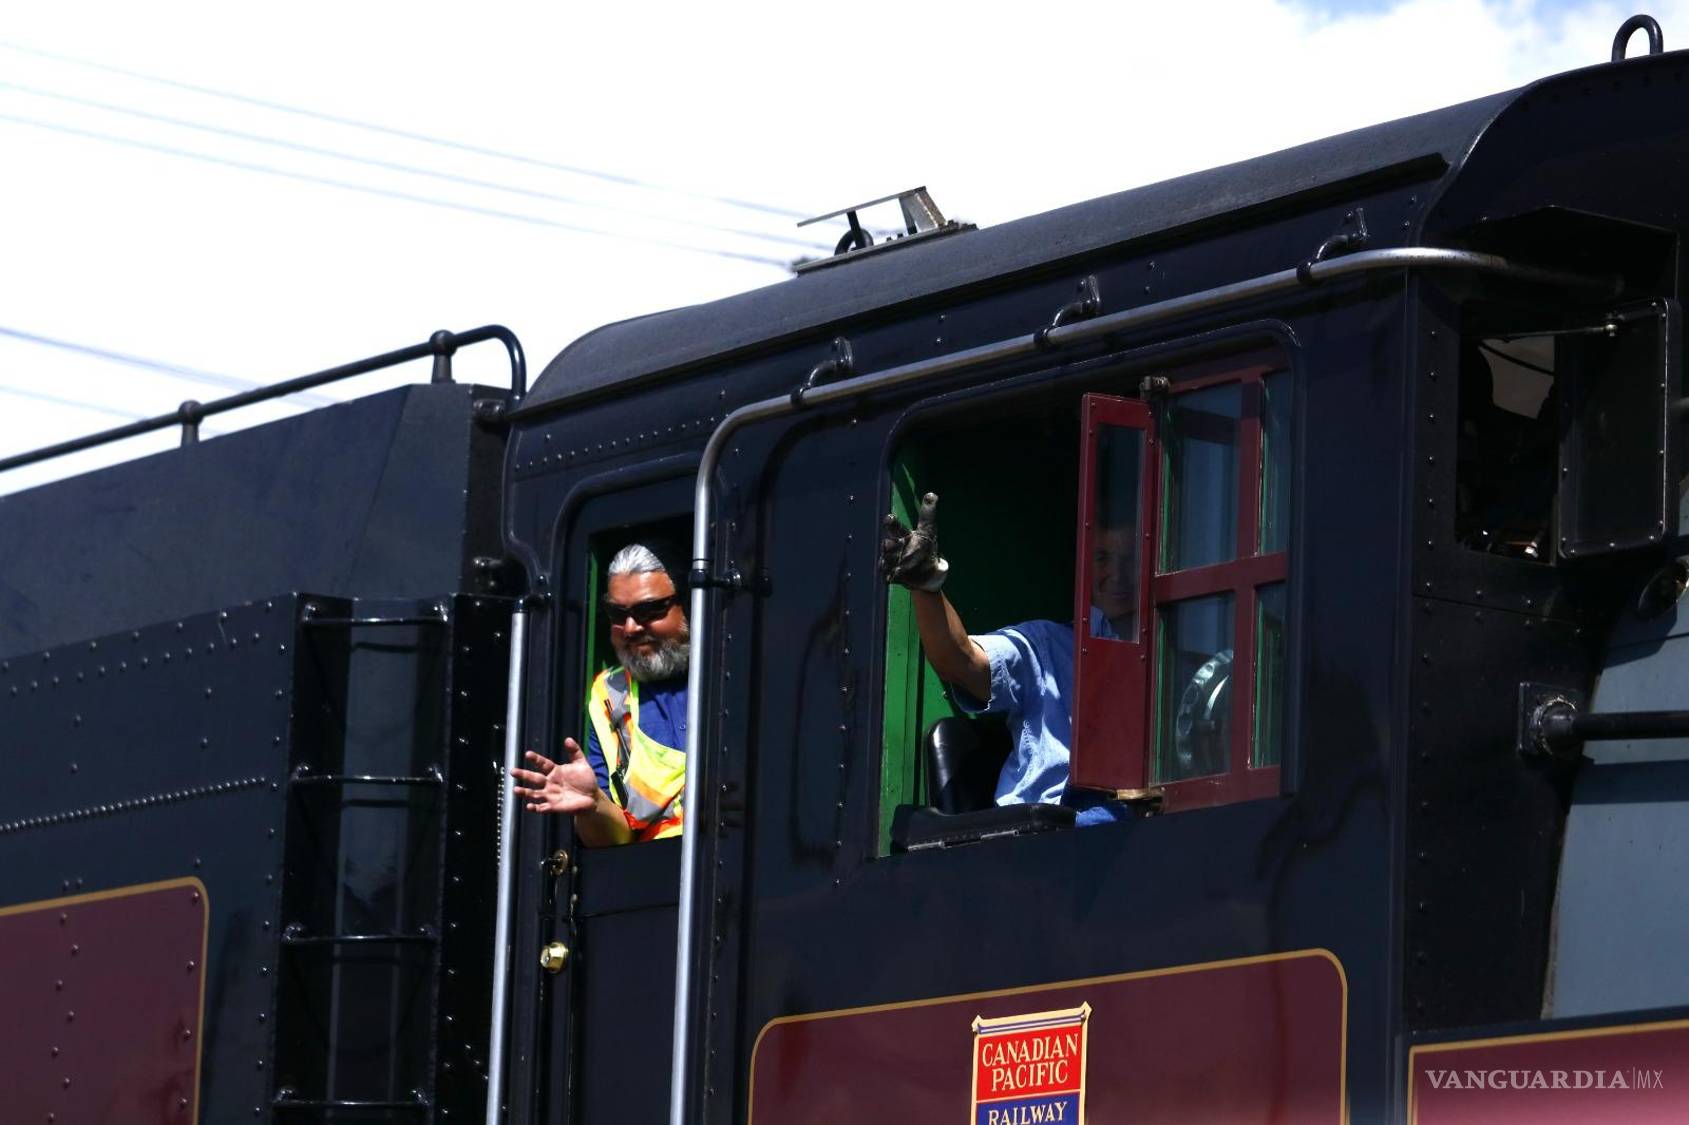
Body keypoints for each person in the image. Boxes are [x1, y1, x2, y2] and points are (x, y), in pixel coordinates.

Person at [880, 492, 1132, 826]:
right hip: (1047, 840)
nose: (1117, 573)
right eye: (1102, 557)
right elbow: (960, 661)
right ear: (1084, 564)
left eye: (1131, 559)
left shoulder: (1178, 658)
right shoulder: (1046, 645)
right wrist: (927, 585)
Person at [511, 542, 690, 845]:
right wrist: (593, 805)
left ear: (689, 604)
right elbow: (613, 837)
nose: (631, 627)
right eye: (617, 614)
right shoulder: (607, 696)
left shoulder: (735, 672)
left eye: (649, 610)